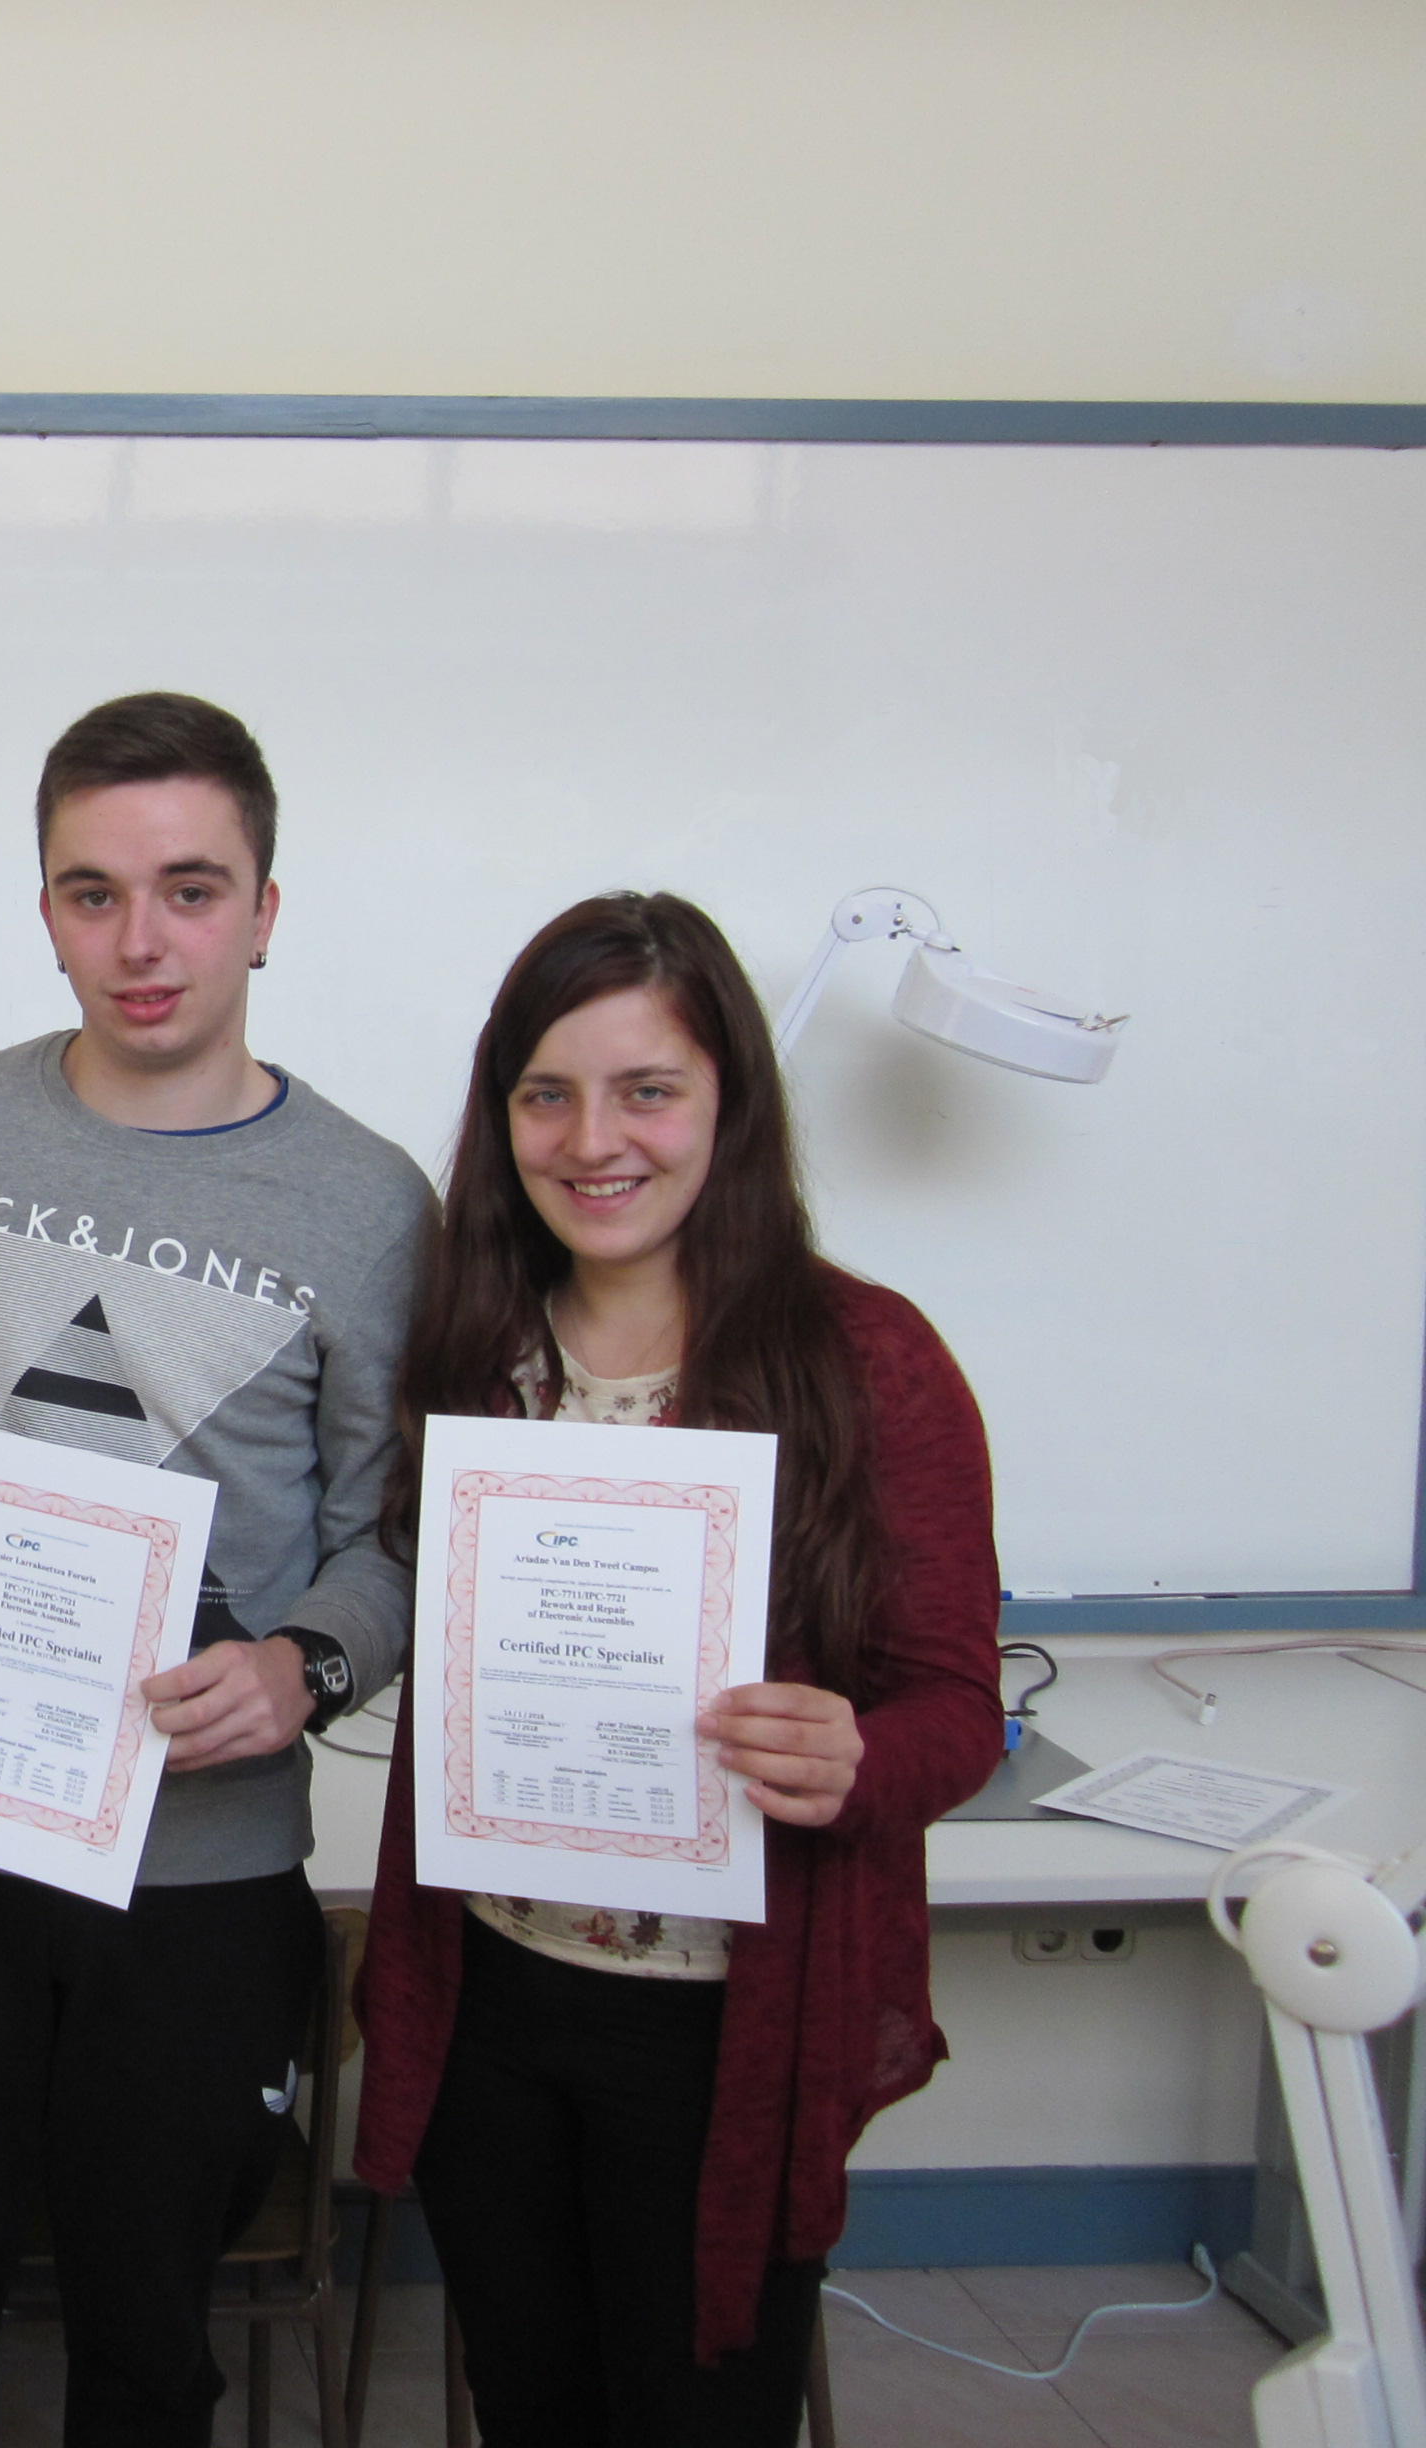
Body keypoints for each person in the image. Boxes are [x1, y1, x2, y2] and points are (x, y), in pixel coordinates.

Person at [0, 692, 435, 2445]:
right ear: (48, 912)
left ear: (265, 911)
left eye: (190, 891)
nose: (141, 942)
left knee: (148, 2353)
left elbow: (398, 1536)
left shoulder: (370, 1203)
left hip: (199, 1875)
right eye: (94, 894)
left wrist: (306, 1664)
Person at [351, 890, 1004, 2447]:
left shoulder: (868, 1360)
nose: (595, 1142)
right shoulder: (471, 1350)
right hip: (493, 1997)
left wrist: (855, 1757)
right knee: (530, 2406)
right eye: (548, 1095)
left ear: (729, 1105)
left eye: (647, 1090)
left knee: (697, 2413)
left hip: (724, 2034)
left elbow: (958, 1706)